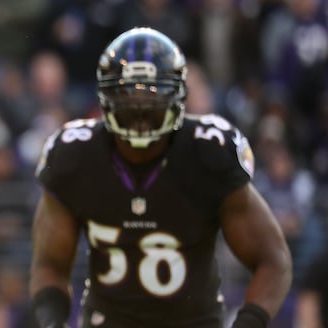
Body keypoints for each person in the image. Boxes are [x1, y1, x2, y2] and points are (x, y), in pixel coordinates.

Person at [28, 27, 293, 328]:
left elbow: (273, 259)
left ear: (178, 97)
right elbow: (49, 264)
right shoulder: (75, 156)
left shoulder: (208, 152)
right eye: (129, 99)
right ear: (105, 98)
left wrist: (248, 322)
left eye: (151, 100)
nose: (140, 111)